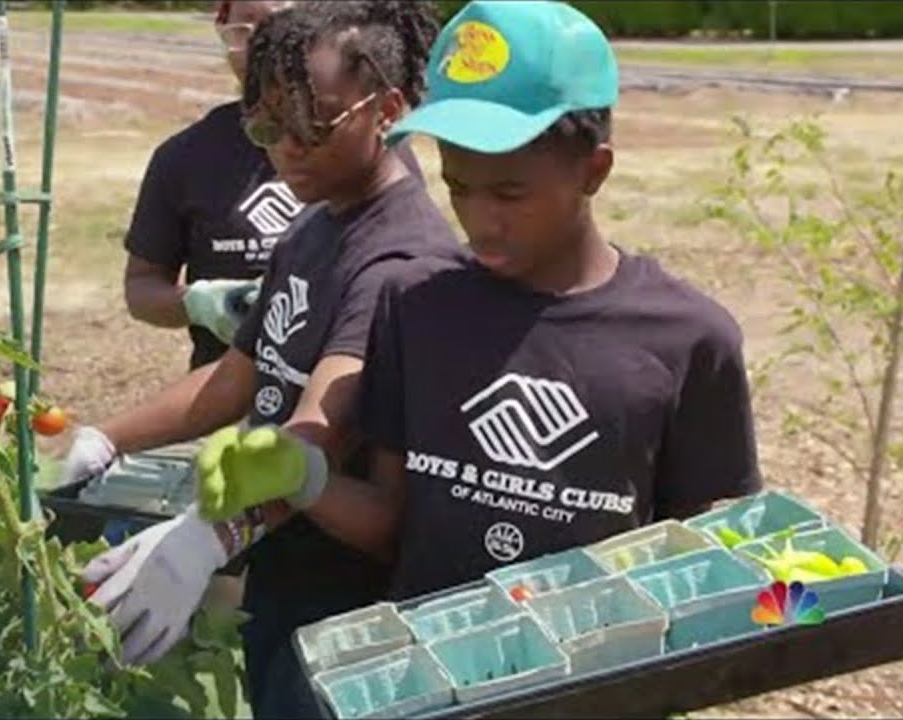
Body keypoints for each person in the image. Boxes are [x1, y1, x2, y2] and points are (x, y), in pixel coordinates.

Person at [194, 0, 762, 609]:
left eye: (510, 193)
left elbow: (695, 553)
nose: (480, 219)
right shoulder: (415, 306)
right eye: (458, 187)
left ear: (594, 171)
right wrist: (302, 477)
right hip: (429, 675)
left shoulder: (686, 339)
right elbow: (391, 524)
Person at [63, 2, 458, 716]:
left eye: (312, 124)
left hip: (345, 602)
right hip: (284, 569)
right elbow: (238, 376)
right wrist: (102, 440)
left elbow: (319, 432)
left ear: (389, 109)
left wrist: (206, 538)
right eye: (266, 127)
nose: (286, 150)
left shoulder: (400, 259)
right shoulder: (317, 224)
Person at [120, 0, 426, 371]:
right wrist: (199, 304)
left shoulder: (370, 149)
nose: (258, 44)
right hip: (225, 393)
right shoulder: (183, 156)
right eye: (241, 31)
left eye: (273, 25)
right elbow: (142, 287)